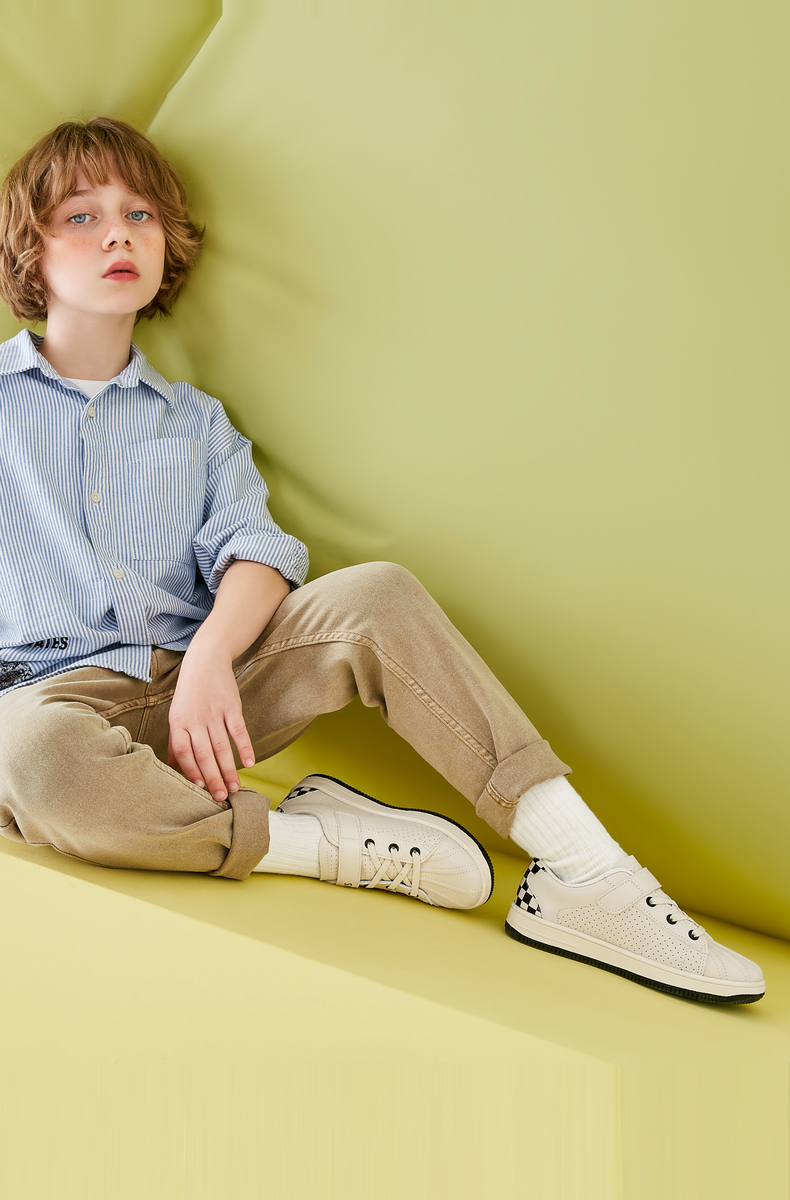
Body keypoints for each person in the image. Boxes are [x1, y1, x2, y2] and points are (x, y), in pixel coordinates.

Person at [0, 116, 763, 1005]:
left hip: (208, 704)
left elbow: (257, 550)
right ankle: (322, 844)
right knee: (35, 753)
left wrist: (209, 656)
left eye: (139, 214)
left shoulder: (196, 422)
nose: (119, 234)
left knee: (379, 593)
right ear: (30, 250)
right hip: (46, 708)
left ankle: (587, 874)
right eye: (82, 217)